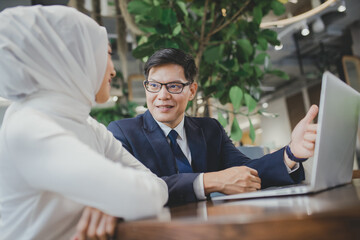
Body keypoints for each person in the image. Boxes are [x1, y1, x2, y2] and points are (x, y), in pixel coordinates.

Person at [0, 5, 168, 240]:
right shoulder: (28, 126)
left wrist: (112, 203)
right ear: (74, 59)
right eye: (107, 55)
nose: (113, 71)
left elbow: (157, 187)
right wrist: (118, 199)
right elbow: (141, 198)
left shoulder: (90, 126)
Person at [108, 48, 318, 205]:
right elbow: (134, 188)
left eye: (174, 86)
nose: (162, 96)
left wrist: (290, 154)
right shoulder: (122, 132)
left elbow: (246, 173)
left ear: (191, 90)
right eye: (154, 86)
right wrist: (209, 181)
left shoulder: (209, 130)